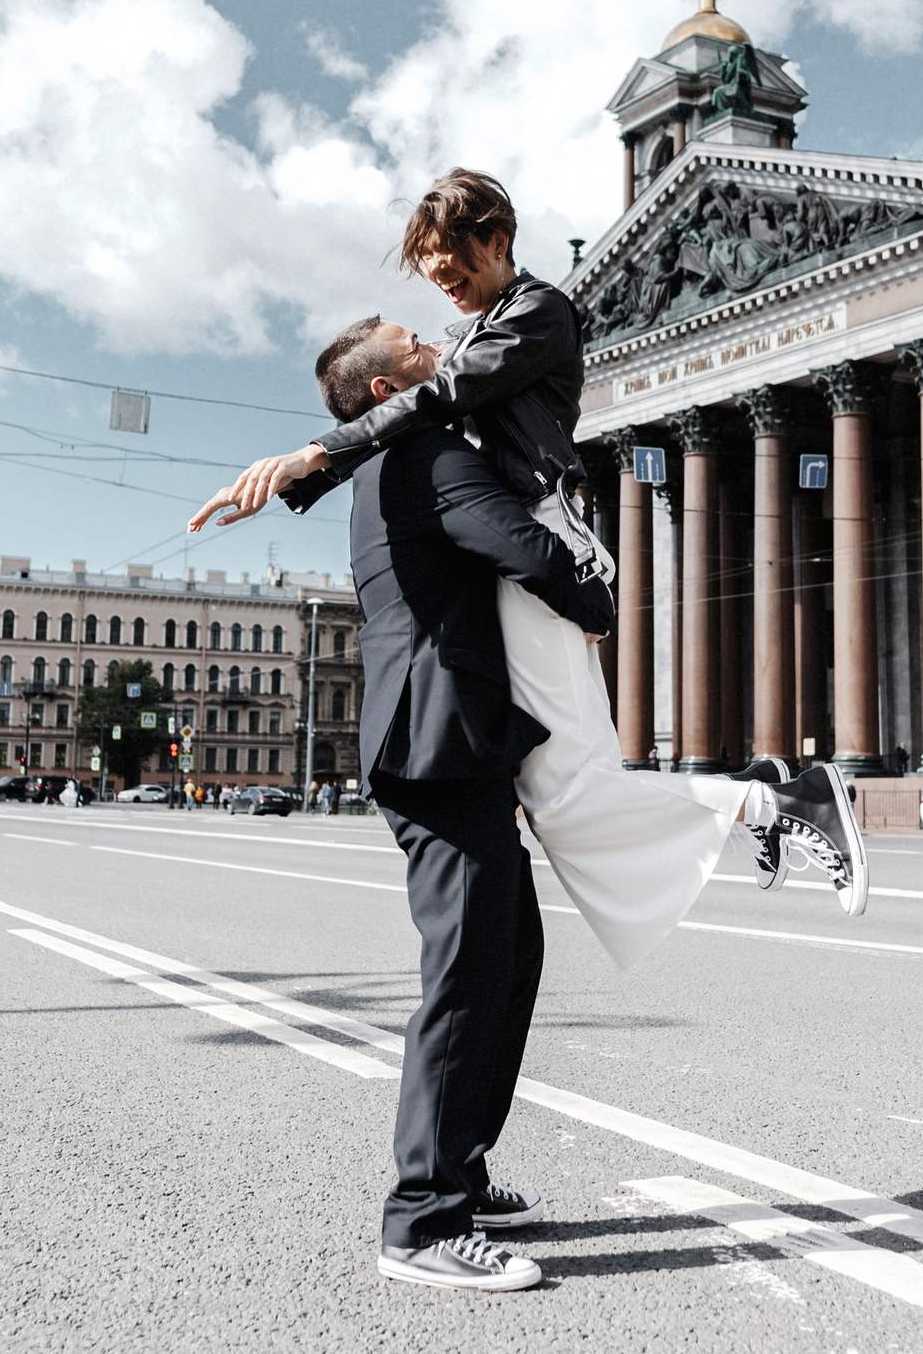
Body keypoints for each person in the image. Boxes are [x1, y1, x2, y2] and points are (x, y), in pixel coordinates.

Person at [194, 170, 869, 954]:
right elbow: (395, 405)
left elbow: (431, 399)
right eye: (431, 273)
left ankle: (790, 801)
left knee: (569, 790)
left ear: (497, 240)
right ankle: (762, 792)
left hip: (542, 539)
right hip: (523, 557)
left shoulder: (537, 313)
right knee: (562, 784)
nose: (441, 288)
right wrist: (299, 473)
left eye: (453, 264)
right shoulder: (470, 330)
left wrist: (317, 451)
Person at [344, 413, 613, 1292]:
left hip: (448, 734)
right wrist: (591, 597)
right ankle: (425, 1219)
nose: (434, 345)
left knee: (509, 957)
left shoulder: (385, 461)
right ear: (384, 386)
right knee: (466, 976)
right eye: (410, 344)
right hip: (438, 732)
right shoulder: (424, 451)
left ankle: (463, 1168)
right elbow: (523, 547)